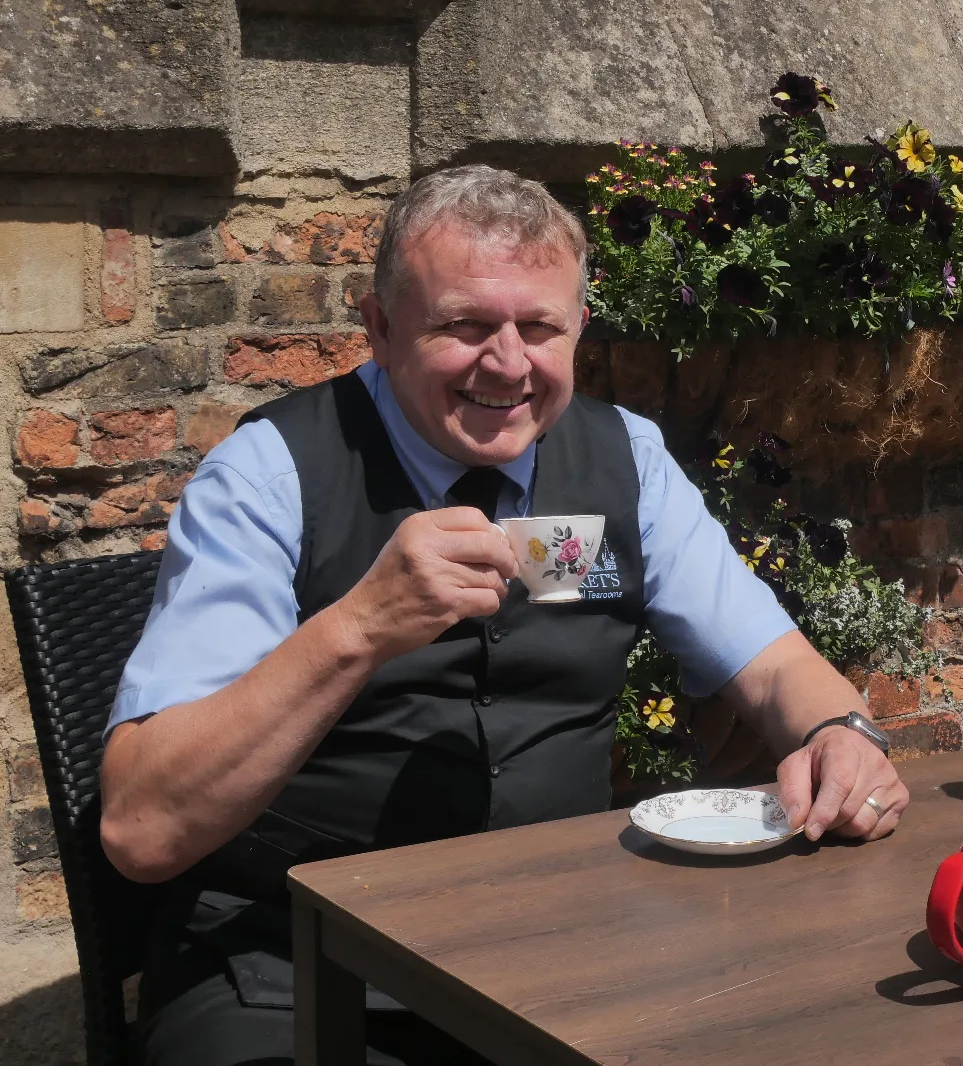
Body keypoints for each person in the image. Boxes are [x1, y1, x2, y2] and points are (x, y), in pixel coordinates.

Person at [101, 165, 907, 1065]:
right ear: (378, 327)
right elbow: (143, 828)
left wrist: (842, 732)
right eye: (465, 325)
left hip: (565, 948)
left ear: (580, 331)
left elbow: (774, 666)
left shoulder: (625, 461)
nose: (509, 364)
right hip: (288, 968)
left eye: (540, 327)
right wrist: (356, 628)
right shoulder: (268, 476)